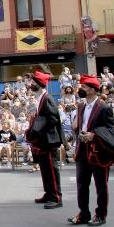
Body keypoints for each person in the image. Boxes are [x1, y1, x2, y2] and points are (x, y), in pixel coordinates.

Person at [68, 75, 114, 227]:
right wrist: (76, 129)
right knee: (81, 184)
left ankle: (100, 214)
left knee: (101, 184)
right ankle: (84, 213)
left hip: (98, 151)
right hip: (82, 149)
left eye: (83, 87)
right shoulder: (81, 106)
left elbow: (111, 130)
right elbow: (80, 125)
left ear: (92, 89)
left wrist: (94, 135)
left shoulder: (104, 107)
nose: (80, 89)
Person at [25, 71, 65, 209]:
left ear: (40, 84)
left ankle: (56, 197)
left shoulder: (47, 99)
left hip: (48, 140)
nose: (31, 85)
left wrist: (39, 128)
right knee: (44, 168)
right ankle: (48, 193)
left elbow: (53, 118)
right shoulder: (40, 98)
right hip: (42, 139)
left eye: (33, 83)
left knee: (51, 169)